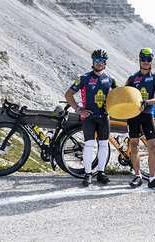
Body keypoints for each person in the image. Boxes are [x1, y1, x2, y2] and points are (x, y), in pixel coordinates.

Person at [64, 49, 118, 187]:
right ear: (93, 62)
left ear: (105, 62)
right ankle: (88, 174)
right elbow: (69, 94)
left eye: (102, 60)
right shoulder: (84, 77)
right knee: (88, 145)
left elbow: (119, 96)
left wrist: (112, 107)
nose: (99, 63)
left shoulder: (110, 79)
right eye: (97, 60)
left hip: (104, 117)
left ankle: (101, 172)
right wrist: (78, 110)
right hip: (89, 117)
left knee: (103, 145)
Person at [125, 47, 155, 189]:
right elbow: (124, 95)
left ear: (151, 61)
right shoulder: (132, 78)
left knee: (153, 148)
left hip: (148, 114)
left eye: (148, 60)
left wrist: (147, 102)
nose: (146, 62)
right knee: (134, 146)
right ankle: (138, 176)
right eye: (143, 60)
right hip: (133, 115)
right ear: (140, 61)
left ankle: (152, 179)